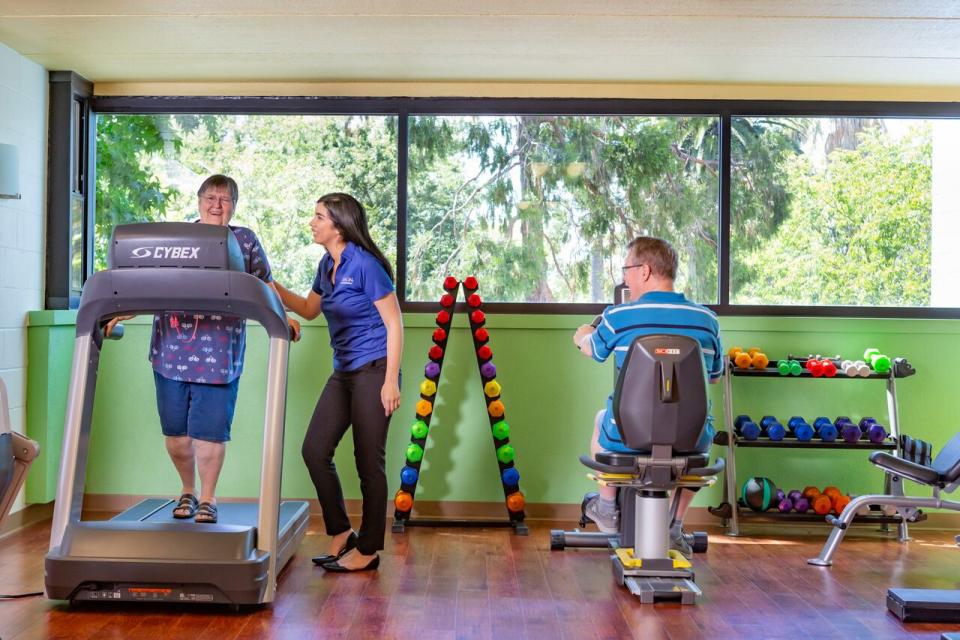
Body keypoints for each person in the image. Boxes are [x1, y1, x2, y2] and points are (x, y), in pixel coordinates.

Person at [106, 174, 300, 524]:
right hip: (170, 352)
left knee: (209, 433)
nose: (216, 205)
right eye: (210, 197)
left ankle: (208, 497)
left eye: (225, 199)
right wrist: (121, 308)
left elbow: (264, 284)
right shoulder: (178, 237)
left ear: (234, 206)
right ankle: (187, 490)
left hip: (219, 354)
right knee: (176, 435)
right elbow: (148, 282)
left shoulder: (245, 241)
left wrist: (282, 316)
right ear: (198, 201)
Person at [273, 192, 402, 573]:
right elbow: (311, 311)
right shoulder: (326, 264)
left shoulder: (365, 265)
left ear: (339, 225)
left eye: (318, 217)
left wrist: (390, 381)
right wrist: (270, 285)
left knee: (368, 463)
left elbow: (395, 323)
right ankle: (342, 531)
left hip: (375, 370)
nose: (311, 223)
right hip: (344, 372)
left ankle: (369, 550)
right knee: (315, 450)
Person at [572, 236, 723, 556]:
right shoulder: (708, 320)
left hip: (627, 438)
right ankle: (675, 526)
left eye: (627, 269)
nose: (624, 277)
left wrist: (583, 333)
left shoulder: (618, 316)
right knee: (697, 434)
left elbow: (593, 350)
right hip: (692, 441)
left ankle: (607, 508)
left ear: (645, 270)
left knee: (603, 419)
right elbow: (714, 375)